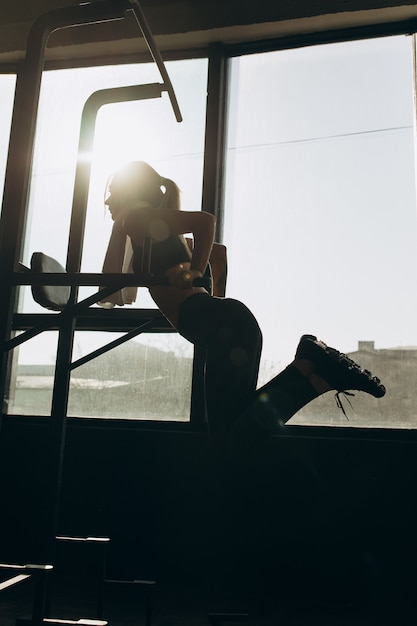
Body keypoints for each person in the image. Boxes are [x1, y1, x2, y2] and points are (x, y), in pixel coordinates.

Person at [101, 160, 386, 453]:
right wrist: (211, 295)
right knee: (234, 428)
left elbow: (204, 222)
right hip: (229, 326)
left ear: (130, 191)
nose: (108, 200)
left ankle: (311, 372)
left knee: (229, 440)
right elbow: (219, 254)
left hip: (227, 328)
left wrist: (195, 273)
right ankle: (312, 374)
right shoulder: (160, 234)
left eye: (112, 191)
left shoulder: (133, 218)